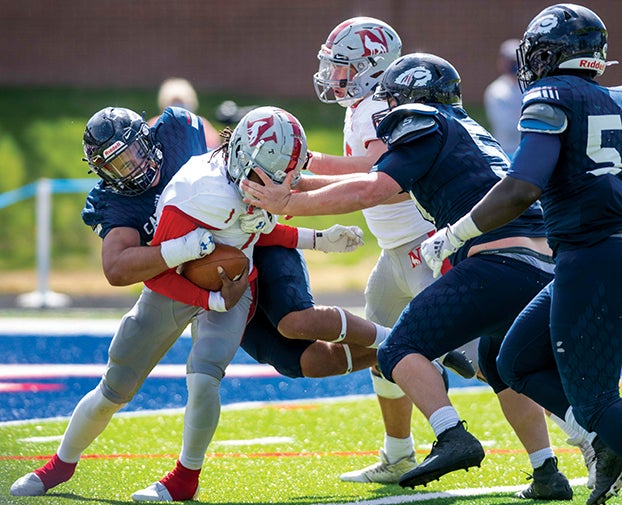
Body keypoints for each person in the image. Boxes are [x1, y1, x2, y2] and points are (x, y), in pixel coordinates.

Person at [242, 53, 574, 500]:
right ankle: (550, 469)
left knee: (398, 345)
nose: (389, 110)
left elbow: (371, 187)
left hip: (497, 262)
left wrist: (287, 203)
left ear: (413, 97)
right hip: (537, 260)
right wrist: (299, 185)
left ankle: (452, 434)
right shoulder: (463, 127)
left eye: (394, 98)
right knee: (503, 366)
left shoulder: (423, 121)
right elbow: (375, 177)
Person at [7, 105, 378, 501]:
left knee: (206, 378)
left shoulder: (182, 135)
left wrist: (316, 238)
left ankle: (185, 478)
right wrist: (190, 265)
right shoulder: (117, 202)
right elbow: (121, 271)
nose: (130, 168)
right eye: (116, 165)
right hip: (170, 283)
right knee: (114, 388)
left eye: (132, 154)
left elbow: (252, 210)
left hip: (235, 272)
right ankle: (60, 465)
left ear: (148, 137)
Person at [420, 4, 622, 505]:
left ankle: (609, 436)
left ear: (550, 53)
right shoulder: (612, 99)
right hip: (594, 253)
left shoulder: (549, 95)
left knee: (594, 401)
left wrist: (454, 234)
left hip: (592, 255)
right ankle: (610, 446)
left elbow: (521, 186)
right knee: (515, 359)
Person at [308, 16, 475, 484]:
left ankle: (583, 433)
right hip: (394, 252)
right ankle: (399, 452)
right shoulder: (364, 101)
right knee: (384, 349)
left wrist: (309, 165)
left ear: (369, 65)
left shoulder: (385, 103)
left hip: (426, 245)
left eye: (341, 66)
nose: (332, 76)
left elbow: (379, 169)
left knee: (489, 357)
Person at [148, 77, 221, 149]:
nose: (178, 109)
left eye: (181, 104)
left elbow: (213, 149)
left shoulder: (201, 125)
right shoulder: (155, 124)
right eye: (174, 103)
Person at [483, 38, 522, 158]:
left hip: (529, 151)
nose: (514, 64)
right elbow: (507, 126)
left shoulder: (530, 87)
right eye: (510, 60)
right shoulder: (496, 91)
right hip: (506, 151)